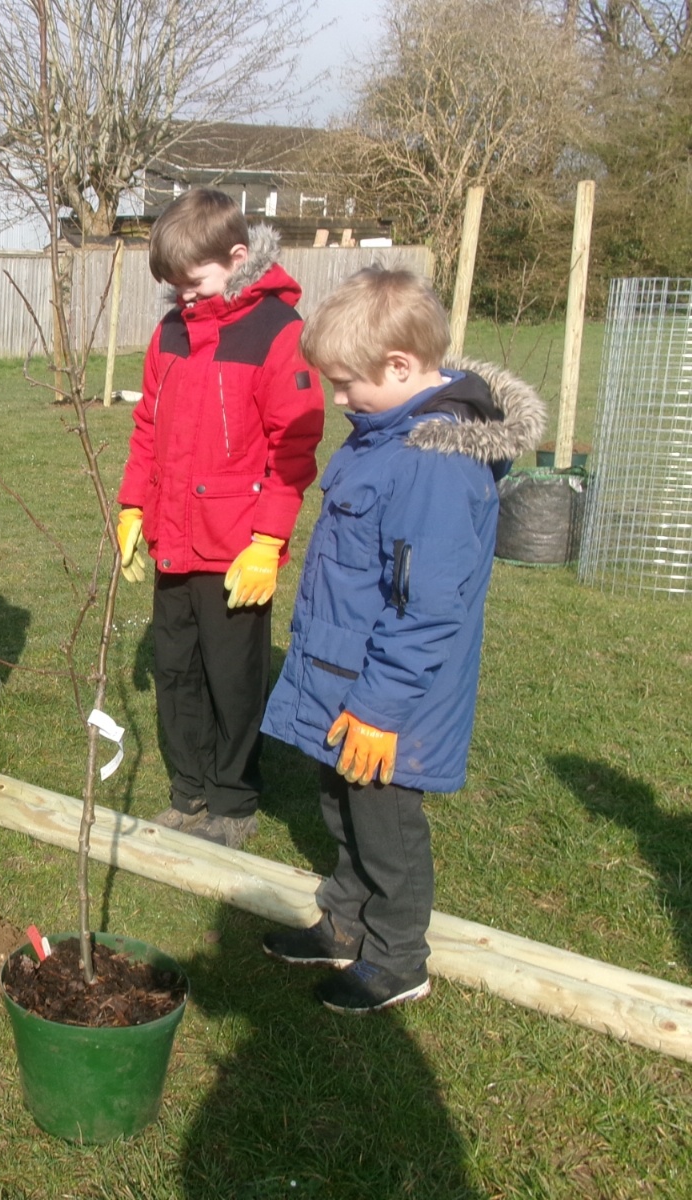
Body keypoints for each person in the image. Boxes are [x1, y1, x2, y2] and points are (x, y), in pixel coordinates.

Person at [259, 267, 545, 1014]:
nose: (338, 400)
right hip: (346, 677)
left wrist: (380, 710)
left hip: (389, 697)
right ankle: (344, 923)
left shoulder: (433, 466)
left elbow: (426, 610)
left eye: (347, 384)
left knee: (385, 825)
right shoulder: (381, 435)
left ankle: (397, 959)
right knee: (340, 806)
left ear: (399, 366)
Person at [115, 189, 325, 848]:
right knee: (176, 669)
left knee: (233, 677)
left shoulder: (277, 332)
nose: (184, 296)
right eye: (174, 285)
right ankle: (190, 791)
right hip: (173, 536)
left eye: (195, 281)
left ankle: (233, 801)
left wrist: (268, 540)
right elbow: (148, 425)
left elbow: (294, 445)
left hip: (236, 548)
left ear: (237, 257)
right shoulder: (171, 332)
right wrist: (132, 506)